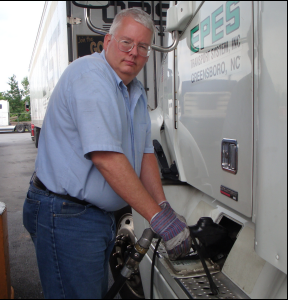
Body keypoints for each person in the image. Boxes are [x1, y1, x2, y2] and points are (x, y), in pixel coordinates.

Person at [23, 8, 191, 299]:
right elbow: (107, 158)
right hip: (66, 215)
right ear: (107, 42)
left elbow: (144, 152)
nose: (134, 52)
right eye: (127, 42)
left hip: (94, 216)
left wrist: (161, 205)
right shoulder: (89, 77)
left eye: (142, 46)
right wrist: (155, 218)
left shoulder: (134, 91)